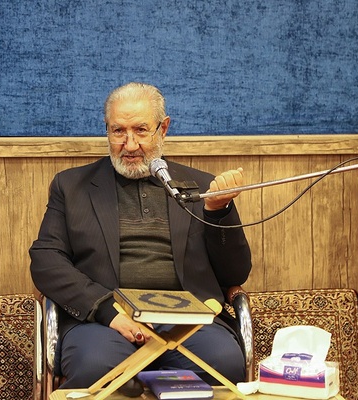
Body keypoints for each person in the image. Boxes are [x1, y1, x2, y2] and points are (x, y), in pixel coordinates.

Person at [29, 82, 252, 393]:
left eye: (141, 130)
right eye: (118, 131)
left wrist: (218, 212)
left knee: (223, 361)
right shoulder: (71, 187)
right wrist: (106, 310)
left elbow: (234, 274)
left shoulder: (201, 187)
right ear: (106, 129)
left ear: (163, 129)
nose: (130, 144)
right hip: (105, 323)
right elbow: (46, 260)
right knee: (97, 366)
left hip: (190, 323)